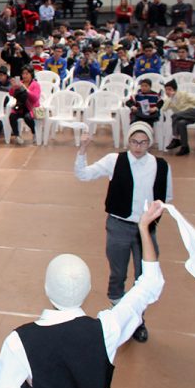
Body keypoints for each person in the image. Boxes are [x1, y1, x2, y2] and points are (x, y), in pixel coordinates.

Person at [0, 202, 166, 388]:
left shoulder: (19, 340)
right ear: (87, 290)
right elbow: (150, 285)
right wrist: (143, 226)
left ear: (47, 289)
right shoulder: (105, 329)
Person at [74, 121, 172, 342]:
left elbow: (167, 196)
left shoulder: (161, 166)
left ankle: (138, 320)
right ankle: (118, 312)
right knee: (118, 273)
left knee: (144, 277)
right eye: (134, 142)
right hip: (118, 226)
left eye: (143, 142)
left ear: (150, 142)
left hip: (145, 230)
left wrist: (151, 217)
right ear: (128, 141)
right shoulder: (114, 160)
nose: (138, 147)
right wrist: (82, 149)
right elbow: (83, 175)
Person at [162, 79, 195, 156]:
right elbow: (164, 109)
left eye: (169, 89)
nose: (167, 91)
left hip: (192, 112)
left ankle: (175, 138)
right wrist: (170, 98)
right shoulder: (169, 100)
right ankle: (185, 147)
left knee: (174, 115)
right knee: (181, 123)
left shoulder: (183, 94)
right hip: (183, 117)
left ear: (175, 89)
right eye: (166, 90)